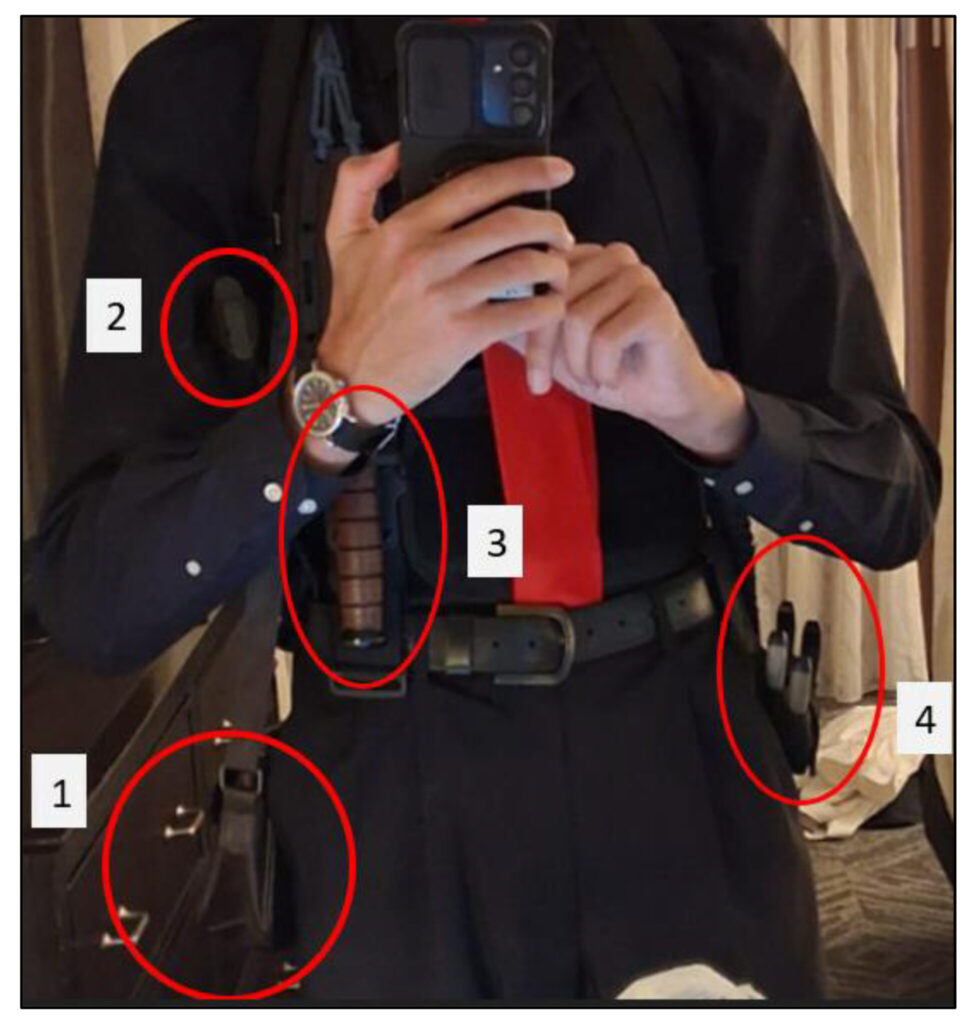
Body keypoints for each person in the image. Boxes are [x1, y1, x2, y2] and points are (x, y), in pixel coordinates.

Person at [36, 16, 940, 1000]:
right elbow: (97, 595)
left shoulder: (705, 52)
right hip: (385, 809)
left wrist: (713, 415)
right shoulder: (202, 93)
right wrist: (330, 403)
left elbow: (887, 498)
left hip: (693, 769)